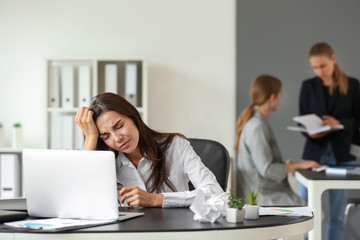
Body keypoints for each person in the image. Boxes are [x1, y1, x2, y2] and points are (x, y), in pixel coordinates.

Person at [75, 92, 223, 208]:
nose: (117, 138)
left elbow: (215, 193)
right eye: (105, 136)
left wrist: (156, 200)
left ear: (133, 117)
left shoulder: (176, 146)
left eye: (119, 126)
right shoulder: (107, 161)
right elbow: (80, 200)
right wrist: (90, 137)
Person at [298, 42, 360, 240]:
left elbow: (358, 120)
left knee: (337, 215)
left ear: (333, 59)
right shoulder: (308, 86)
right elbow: (302, 120)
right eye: (315, 67)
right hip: (313, 156)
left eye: (323, 66)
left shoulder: (352, 85)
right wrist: (311, 132)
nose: (319, 71)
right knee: (304, 213)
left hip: (342, 157)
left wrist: (339, 123)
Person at [235, 75, 320, 206]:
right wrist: (297, 165)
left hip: (263, 191)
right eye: (280, 95)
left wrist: (293, 164)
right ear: (272, 98)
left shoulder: (257, 122)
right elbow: (267, 169)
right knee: (315, 211)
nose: (280, 99)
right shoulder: (257, 126)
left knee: (314, 210)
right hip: (262, 196)